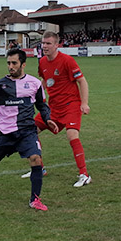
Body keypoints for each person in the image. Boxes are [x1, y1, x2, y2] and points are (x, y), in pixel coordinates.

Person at [0, 49, 58, 211]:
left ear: (23, 64)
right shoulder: (1, 85)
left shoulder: (34, 83)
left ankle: (35, 199)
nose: (11, 66)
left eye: (14, 63)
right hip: (5, 133)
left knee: (36, 159)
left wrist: (47, 118)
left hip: (27, 131)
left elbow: (42, 104)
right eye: (8, 63)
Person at [21, 31, 92, 187]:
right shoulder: (43, 62)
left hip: (71, 105)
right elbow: (44, 81)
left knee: (72, 135)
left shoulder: (67, 60)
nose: (44, 46)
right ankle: (39, 168)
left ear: (56, 45)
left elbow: (82, 81)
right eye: (43, 43)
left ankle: (84, 174)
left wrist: (84, 103)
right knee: (29, 131)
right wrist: (36, 95)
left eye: (48, 43)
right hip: (53, 107)